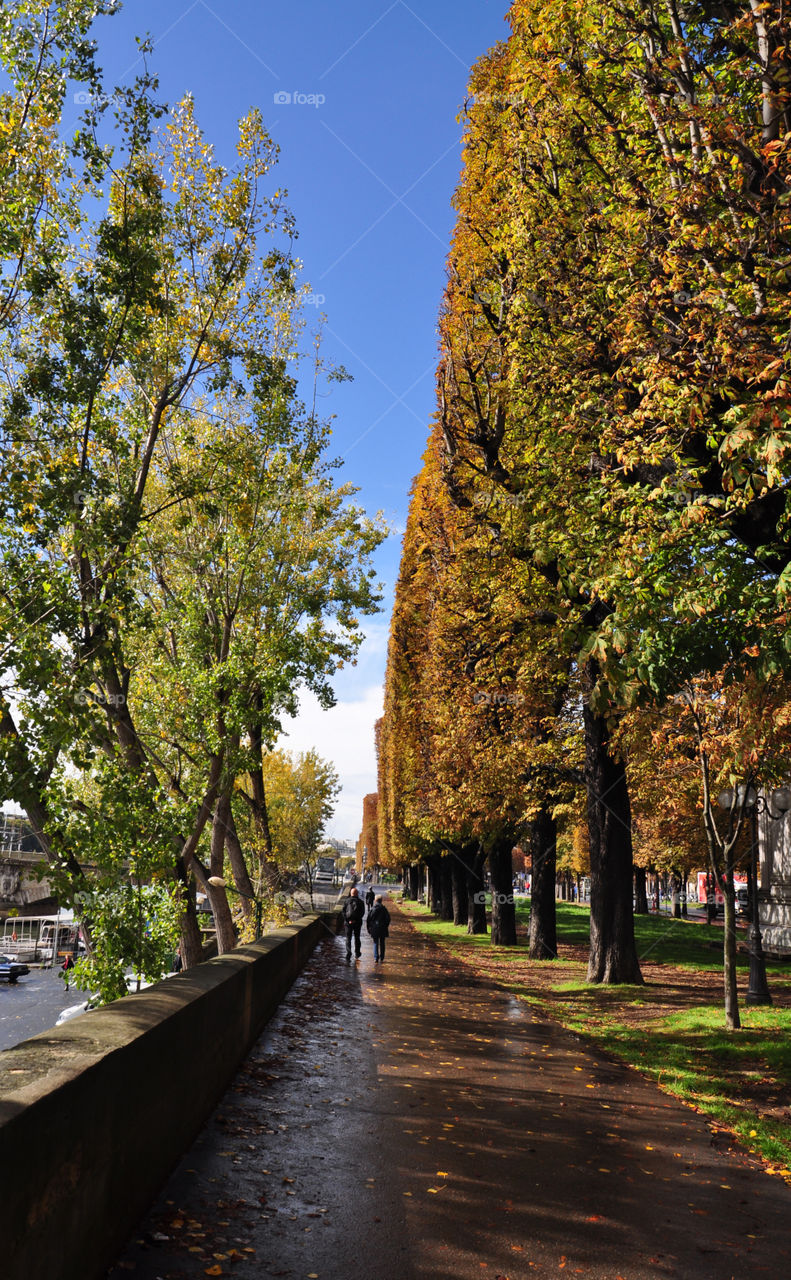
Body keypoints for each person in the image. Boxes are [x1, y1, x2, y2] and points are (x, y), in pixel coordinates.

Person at [343, 887, 365, 960]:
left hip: (348, 923)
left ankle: (348, 953)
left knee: (348, 938)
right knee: (357, 938)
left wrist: (348, 920)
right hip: (357, 923)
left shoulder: (346, 901)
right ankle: (357, 953)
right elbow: (362, 913)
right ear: (357, 894)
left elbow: (343, 912)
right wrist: (356, 920)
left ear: (350, 893)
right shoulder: (361, 902)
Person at [367, 895, 391, 963]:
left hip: (375, 928)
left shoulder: (372, 909)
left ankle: (376, 957)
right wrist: (386, 925)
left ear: (375, 900)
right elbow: (388, 919)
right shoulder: (384, 909)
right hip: (383, 928)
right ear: (381, 901)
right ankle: (382, 957)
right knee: (382, 943)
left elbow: (369, 919)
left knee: (375, 942)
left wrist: (369, 927)